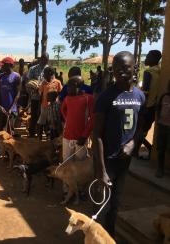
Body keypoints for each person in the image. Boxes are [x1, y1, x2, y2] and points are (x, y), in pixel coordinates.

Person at [93, 51, 145, 237]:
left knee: (116, 203)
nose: (121, 72)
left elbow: (141, 127)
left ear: (135, 68)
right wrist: (101, 170)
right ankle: (97, 239)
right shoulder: (106, 97)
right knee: (101, 206)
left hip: (124, 160)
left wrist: (132, 144)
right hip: (106, 159)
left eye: (125, 68)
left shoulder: (140, 96)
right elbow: (97, 134)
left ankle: (110, 237)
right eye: (116, 69)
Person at [133, 50, 162, 159]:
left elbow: (146, 92)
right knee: (145, 130)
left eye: (148, 56)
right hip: (155, 106)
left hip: (146, 106)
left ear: (154, 59)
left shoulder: (148, 72)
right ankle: (144, 150)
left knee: (138, 130)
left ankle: (138, 151)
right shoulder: (160, 71)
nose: (146, 59)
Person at [0, 57, 21, 158]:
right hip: (1, 109)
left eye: (4, 65)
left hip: (11, 110)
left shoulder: (16, 76)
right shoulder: (1, 77)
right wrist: (0, 106)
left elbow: (18, 94)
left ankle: (10, 155)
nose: (2, 67)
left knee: (9, 132)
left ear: (9, 65)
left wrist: (11, 107)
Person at [61, 76, 94, 161]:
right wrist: (67, 120)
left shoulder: (88, 98)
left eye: (69, 86)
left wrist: (84, 136)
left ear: (77, 86)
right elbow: (63, 109)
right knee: (66, 162)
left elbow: (93, 118)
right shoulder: (67, 98)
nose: (67, 89)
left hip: (80, 138)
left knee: (79, 163)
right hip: (67, 136)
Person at [27, 53, 49, 137]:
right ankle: (32, 133)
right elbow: (29, 82)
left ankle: (43, 132)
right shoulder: (33, 69)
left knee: (45, 116)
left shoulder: (49, 69)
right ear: (40, 59)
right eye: (43, 59)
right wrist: (36, 87)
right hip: (35, 96)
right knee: (34, 115)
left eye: (46, 60)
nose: (45, 61)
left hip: (46, 97)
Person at [37, 66, 62, 140]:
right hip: (44, 105)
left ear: (50, 74)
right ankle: (39, 137)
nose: (44, 75)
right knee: (41, 121)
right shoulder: (43, 83)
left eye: (45, 73)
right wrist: (40, 105)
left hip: (54, 107)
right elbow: (41, 94)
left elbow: (60, 93)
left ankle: (52, 138)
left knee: (52, 122)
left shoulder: (57, 82)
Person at [155, 81, 170, 178]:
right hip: (162, 126)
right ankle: (160, 169)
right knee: (161, 149)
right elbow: (158, 109)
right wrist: (158, 121)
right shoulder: (164, 96)